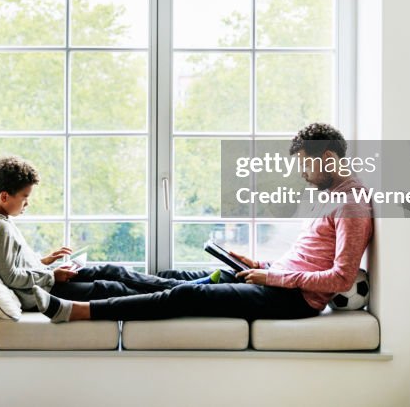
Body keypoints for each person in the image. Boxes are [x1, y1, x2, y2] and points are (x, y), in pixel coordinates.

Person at [64, 122, 374, 322]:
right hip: (275, 281)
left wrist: (271, 279)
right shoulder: (328, 195)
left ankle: (85, 311)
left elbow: (341, 278)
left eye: (306, 164)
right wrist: (261, 265)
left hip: (294, 300)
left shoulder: (352, 204)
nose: (303, 174)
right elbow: (306, 259)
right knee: (173, 276)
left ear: (328, 157)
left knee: (187, 294)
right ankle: (77, 279)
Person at [0, 155, 186, 323]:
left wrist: (45, 261)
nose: (27, 204)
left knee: (111, 271)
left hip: (46, 280)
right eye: (25, 197)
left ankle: (175, 286)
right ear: (5, 197)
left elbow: (13, 264)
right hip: (42, 292)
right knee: (113, 288)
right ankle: (180, 293)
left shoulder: (1, 220)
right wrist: (52, 276)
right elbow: (10, 277)